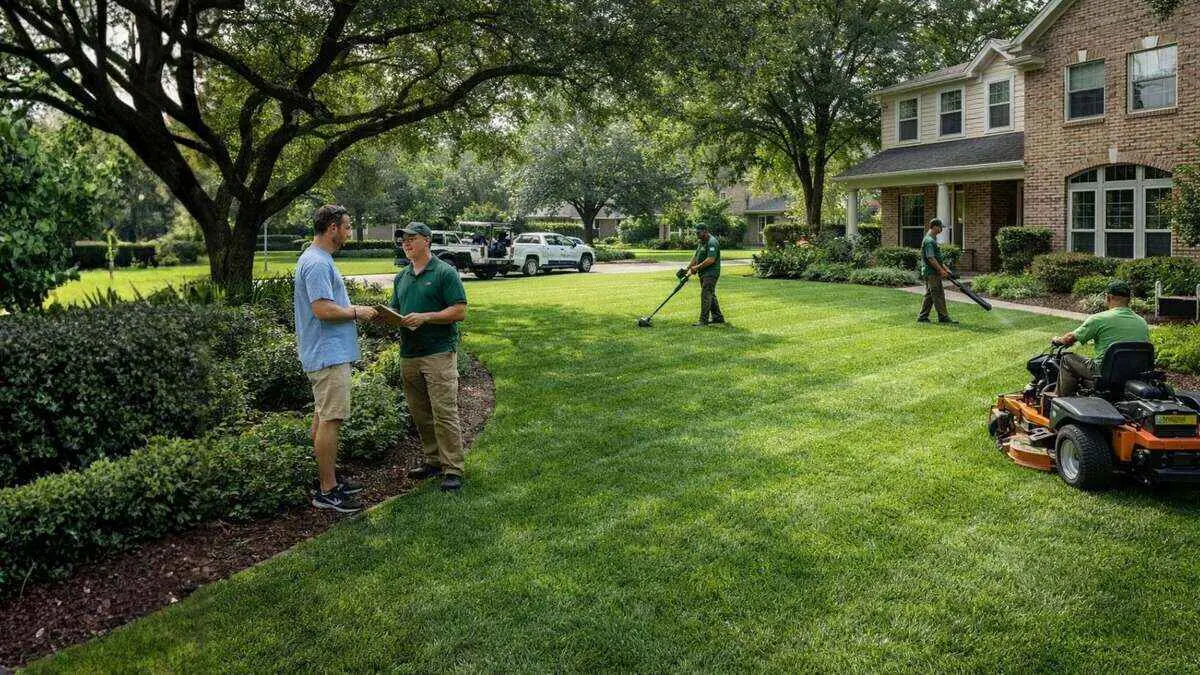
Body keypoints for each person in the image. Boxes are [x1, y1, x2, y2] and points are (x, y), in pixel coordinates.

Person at [295, 204, 378, 513]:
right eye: (347, 227)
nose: (349, 232)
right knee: (332, 419)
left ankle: (327, 481)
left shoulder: (318, 258)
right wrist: (358, 311)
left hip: (327, 352)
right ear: (332, 228)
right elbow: (322, 309)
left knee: (323, 418)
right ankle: (327, 491)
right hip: (327, 354)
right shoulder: (317, 262)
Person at [390, 223, 470, 492]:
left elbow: (459, 311)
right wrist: (386, 316)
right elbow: (395, 309)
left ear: (427, 240)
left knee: (444, 412)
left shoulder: (445, 272)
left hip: (438, 353)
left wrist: (426, 317)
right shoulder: (401, 277)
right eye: (403, 240)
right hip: (409, 354)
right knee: (420, 413)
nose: (406, 243)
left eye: (411, 239)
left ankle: (453, 468)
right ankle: (433, 461)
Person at [1052, 279, 1150, 396]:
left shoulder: (1099, 319)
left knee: (1067, 359)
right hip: (1134, 371)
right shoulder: (1142, 322)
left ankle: (1061, 398)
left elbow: (1069, 339)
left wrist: (1058, 340)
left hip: (1104, 371)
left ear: (1108, 298)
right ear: (1129, 299)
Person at [917, 218, 957, 324]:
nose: (941, 230)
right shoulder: (929, 241)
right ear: (935, 227)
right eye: (940, 227)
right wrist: (940, 271)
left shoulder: (931, 240)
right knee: (938, 294)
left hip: (932, 272)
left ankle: (922, 317)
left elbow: (937, 258)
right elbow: (931, 258)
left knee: (930, 295)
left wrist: (946, 269)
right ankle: (943, 317)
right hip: (931, 273)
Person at [687, 224, 724, 326]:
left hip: (711, 273)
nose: (697, 234)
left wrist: (697, 267)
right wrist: (688, 268)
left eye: (698, 232)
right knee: (710, 294)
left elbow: (711, 259)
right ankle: (718, 317)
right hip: (703, 272)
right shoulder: (701, 242)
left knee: (706, 295)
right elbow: (696, 256)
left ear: (705, 231)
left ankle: (703, 320)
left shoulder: (712, 242)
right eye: (696, 232)